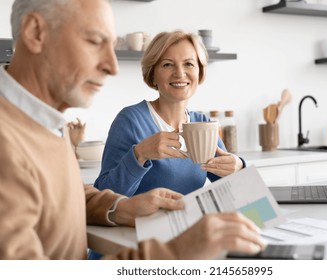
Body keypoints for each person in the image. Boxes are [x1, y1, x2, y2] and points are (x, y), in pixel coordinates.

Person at [0, 0, 266, 260]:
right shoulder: (9, 137)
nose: (113, 67)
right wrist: (176, 253)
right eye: (94, 41)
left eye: (189, 64)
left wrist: (120, 207)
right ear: (36, 32)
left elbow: (62, 195)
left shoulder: (45, 122)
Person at [94, 30, 245, 197]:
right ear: (152, 75)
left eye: (189, 64)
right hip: (141, 222)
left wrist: (239, 167)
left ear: (200, 72)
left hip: (190, 220)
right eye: (167, 64)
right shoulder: (131, 121)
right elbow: (103, 195)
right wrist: (140, 155)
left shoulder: (202, 123)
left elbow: (236, 193)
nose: (180, 73)